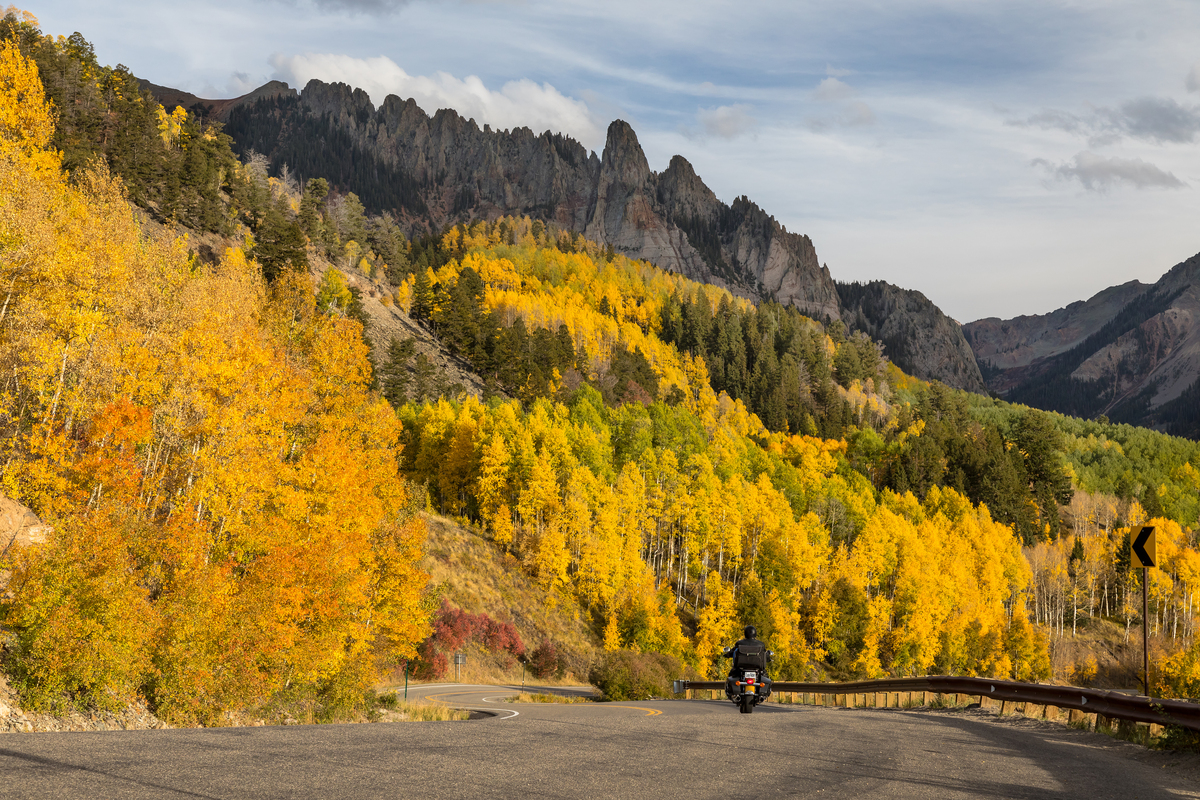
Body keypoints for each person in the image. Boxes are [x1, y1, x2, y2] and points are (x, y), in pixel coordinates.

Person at [723, 625, 773, 700]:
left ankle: (731, 693)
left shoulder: (739, 643)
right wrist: (769, 658)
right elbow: (765, 654)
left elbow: (732, 652)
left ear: (745, 633)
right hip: (757, 669)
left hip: (740, 668)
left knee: (731, 674)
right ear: (755, 633)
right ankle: (762, 695)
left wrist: (727, 654)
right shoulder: (760, 644)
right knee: (765, 675)